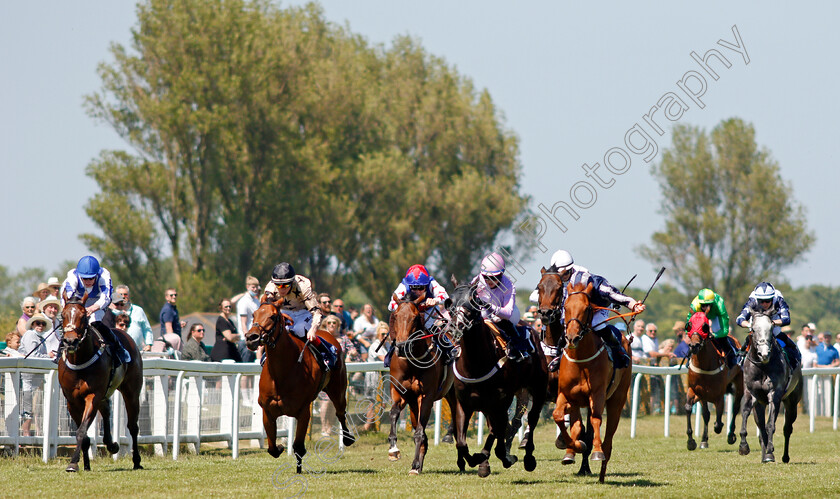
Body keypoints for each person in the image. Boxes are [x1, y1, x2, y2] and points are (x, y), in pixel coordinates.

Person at [534, 249, 643, 369]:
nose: (560, 277)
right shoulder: (554, 278)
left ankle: (618, 350)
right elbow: (534, 296)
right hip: (575, 309)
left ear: (570, 269)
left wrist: (633, 304)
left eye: (563, 274)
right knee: (565, 324)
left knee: (597, 325)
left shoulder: (588, 279)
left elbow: (613, 294)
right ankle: (558, 355)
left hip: (597, 306)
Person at [265, 262, 337, 370]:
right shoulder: (270, 288)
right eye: (279, 285)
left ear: (292, 282)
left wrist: (313, 329)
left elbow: (317, 312)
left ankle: (326, 350)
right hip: (285, 312)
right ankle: (266, 355)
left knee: (299, 330)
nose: (282, 289)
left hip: (303, 312)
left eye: (286, 285)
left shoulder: (303, 287)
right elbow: (267, 308)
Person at [61, 255, 130, 364]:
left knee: (95, 322)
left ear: (96, 275)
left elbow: (105, 298)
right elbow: (67, 298)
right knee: (70, 321)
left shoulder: (104, 275)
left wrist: (92, 308)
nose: (88, 281)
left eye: (91, 278)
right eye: (84, 278)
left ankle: (119, 349)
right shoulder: (72, 276)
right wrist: (77, 311)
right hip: (77, 302)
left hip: (98, 302)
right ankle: (59, 351)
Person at [471, 252, 533, 362]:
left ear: (501, 275)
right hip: (485, 311)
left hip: (507, 313)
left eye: (494, 278)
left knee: (502, 319)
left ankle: (518, 347)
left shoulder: (509, 285)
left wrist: (489, 306)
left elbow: (508, 312)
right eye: (486, 277)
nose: (489, 281)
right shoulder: (478, 280)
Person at [386, 264, 453, 364]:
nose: (417, 291)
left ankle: (447, 349)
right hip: (409, 313)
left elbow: (445, 296)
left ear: (426, 285)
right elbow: (391, 305)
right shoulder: (404, 285)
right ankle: (392, 350)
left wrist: (435, 300)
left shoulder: (431, 282)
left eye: (421, 288)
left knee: (430, 325)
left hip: (428, 310)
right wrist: (406, 307)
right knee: (397, 321)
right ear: (409, 285)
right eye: (414, 288)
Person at [735, 282, 798, 370]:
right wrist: (751, 325)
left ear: (772, 298)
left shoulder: (778, 298)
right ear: (757, 299)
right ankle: (739, 364)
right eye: (761, 301)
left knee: (793, 348)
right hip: (757, 328)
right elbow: (740, 319)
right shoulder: (753, 301)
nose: (764, 304)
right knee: (742, 350)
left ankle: (793, 367)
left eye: (768, 300)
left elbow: (786, 319)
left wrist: (771, 323)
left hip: (773, 326)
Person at [686, 288, 738, 369]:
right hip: (699, 317)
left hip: (715, 316)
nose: (705, 308)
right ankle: (688, 358)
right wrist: (689, 335)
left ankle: (732, 358)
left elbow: (725, 330)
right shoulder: (695, 306)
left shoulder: (719, 305)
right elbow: (688, 325)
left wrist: (715, 335)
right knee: (695, 339)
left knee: (722, 338)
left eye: (708, 305)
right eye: (703, 305)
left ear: (712, 303)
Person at [19, 313, 52, 436]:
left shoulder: (39, 337)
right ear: (33, 324)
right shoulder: (30, 334)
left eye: (43, 324)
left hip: (36, 377)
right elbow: (32, 355)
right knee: (27, 406)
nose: (41, 326)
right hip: (28, 377)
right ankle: (25, 435)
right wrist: (48, 356)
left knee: (35, 407)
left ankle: (34, 434)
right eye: (38, 323)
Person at [115, 285, 153, 352]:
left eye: (125, 294)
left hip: (138, 350)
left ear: (129, 296)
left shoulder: (138, 310)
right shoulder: (112, 312)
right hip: (119, 351)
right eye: (120, 294)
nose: (123, 296)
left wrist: (148, 344)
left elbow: (146, 329)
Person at [236, 276, 260, 363]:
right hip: (246, 340)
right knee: (246, 368)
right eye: (253, 287)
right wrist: (248, 338)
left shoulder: (256, 301)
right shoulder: (244, 302)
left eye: (256, 287)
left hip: (256, 337)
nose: (255, 289)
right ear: (247, 287)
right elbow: (244, 323)